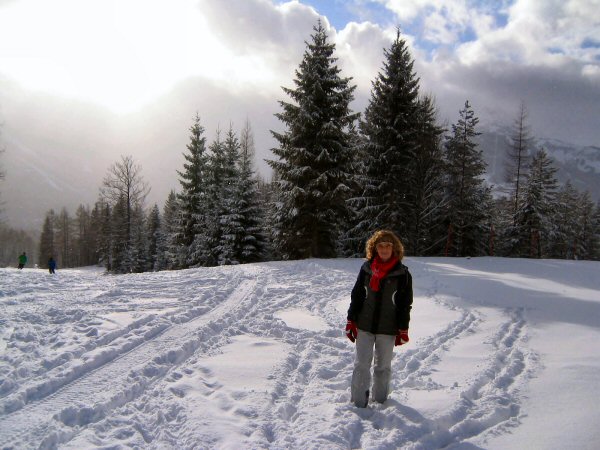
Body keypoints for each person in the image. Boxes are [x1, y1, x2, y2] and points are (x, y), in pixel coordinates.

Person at [345, 230, 413, 408]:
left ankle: (381, 402)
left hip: (388, 328)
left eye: (387, 246)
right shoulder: (366, 269)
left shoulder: (403, 274)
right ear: (374, 248)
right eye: (380, 246)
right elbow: (357, 296)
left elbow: (405, 304)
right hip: (365, 326)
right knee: (361, 365)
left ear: (394, 249)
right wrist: (351, 319)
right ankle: (358, 403)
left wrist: (403, 328)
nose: (384, 249)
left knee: (383, 367)